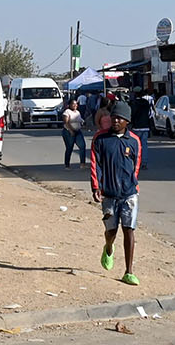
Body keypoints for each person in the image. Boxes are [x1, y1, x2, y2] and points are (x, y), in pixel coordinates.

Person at [87, 99, 145, 285]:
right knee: (111, 230)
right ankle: (108, 247)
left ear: (127, 121)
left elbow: (136, 166)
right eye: (113, 117)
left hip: (129, 194)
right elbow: (95, 164)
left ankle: (129, 271)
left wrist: (132, 184)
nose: (115, 121)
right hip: (109, 194)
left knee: (129, 230)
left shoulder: (134, 141)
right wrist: (96, 187)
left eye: (120, 118)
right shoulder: (100, 138)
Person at [59, 96, 86, 168]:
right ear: (70, 105)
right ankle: (67, 164)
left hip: (78, 131)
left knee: (82, 146)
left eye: (76, 104)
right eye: (73, 104)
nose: (75, 105)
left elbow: (80, 120)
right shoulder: (67, 112)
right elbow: (66, 122)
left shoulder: (77, 112)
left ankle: (82, 163)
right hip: (68, 132)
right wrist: (71, 130)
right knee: (69, 148)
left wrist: (83, 123)